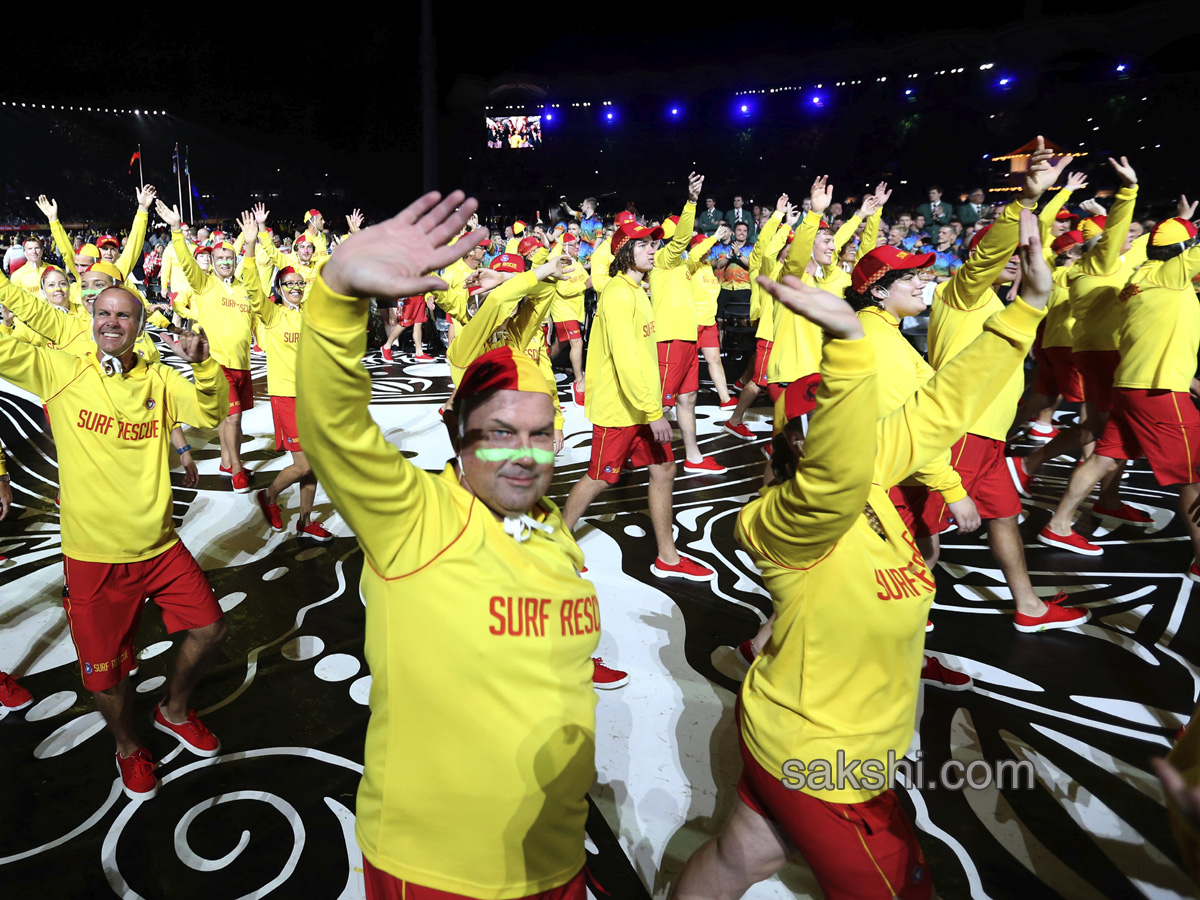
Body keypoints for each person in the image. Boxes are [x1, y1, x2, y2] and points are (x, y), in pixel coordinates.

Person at [672, 207, 1061, 900]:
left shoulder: (876, 480)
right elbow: (834, 477)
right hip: (824, 761)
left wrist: (1028, 309)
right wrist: (849, 347)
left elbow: (944, 404)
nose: (841, 437)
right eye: (820, 427)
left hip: (819, 737)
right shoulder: (789, 523)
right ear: (796, 446)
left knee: (743, 858)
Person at [297, 190, 594, 899]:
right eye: (497, 433)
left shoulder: (555, 534)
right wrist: (336, 295)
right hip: (440, 871)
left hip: (555, 862)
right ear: (456, 434)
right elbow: (334, 425)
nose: (521, 456)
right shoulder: (414, 519)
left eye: (538, 433)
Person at [0, 284, 228, 798]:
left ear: (139, 324)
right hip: (94, 557)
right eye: (103, 313)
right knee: (103, 680)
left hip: (161, 547)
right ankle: (128, 747)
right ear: (89, 317)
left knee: (211, 631)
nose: (111, 323)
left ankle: (172, 711)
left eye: (123, 315)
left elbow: (211, 412)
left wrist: (206, 365)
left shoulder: (161, 380)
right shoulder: (59, 370)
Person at [926, 137, 1088, 632]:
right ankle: (898, 616)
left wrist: (1035, 218)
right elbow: (986, 256)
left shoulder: (996, 303)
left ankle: (1029, 606)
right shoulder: (962, 293)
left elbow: (1025, 253)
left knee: (1004, 516)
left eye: (1018, 255)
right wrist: (1026, 200)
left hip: (991, 438)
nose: (1014, 259)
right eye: (1005, 255)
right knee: (919, 529)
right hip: (960, 432)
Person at [1033, 214, 1200, 574]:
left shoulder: (1140, 277)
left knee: (1103, 458)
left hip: (1130, 385)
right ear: (1183, 253)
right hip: (1159, 392)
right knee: (1192, 475)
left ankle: (1058, 524)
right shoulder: (1171, 276)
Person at [563, 217, 715, 581]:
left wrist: (652, 406)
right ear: (623, 251)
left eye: (653, 244)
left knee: (664, 468)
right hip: (620, 408)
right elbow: (626, 359)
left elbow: (641, 356)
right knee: (600, 477)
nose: (653, 249)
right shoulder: (617, 293)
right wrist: (653, 411)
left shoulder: (637, 290)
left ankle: (669, 556)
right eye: (644, 244)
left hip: (642, 406)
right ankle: (557, 542)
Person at [158, 199, 257, 491]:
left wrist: (250, 244)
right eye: (220, 259)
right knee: (233, 418)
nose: (226, 262)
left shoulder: (242, 288)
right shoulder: (205, 284)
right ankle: (237, 471)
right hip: (218, 364)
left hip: (243, 364)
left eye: (230, 258)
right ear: (212, 262)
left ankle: (228, 461)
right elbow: (187, 264)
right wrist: (177, 230)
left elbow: (252, 275)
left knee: (232, 421)